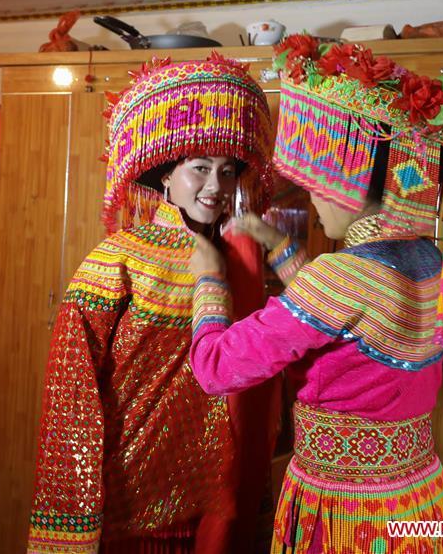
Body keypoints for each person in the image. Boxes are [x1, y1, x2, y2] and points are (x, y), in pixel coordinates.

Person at [188, 36, 443, 553]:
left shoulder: (342, 276)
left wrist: (208, 279)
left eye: (323, 183)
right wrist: (275, 242)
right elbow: (336, 313)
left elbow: (216, 368)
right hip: (416, 497)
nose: (315, 197)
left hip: (345, 513)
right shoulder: (431, 260)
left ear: (361, 183)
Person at [27, 54, 280, 554]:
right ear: (165, 175)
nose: (215, 187)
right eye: (200, 169)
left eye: (228, 172)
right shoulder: (120, 254)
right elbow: (72, 380)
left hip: (219, 482)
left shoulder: (245, 257)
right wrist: (72, 498)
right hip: (137, 479)